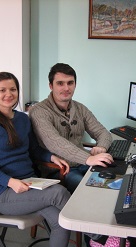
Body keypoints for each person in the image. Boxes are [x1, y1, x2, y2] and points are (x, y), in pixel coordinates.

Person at [0, 71, 71, 247]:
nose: (8, 94)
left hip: (30, 186)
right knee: (59, 192)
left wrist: (52, 157)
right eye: (2, 90)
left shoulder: (23, 119)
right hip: (4, 194)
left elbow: (34, 150)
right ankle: (98, 236)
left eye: (13, 89)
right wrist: (11, 182)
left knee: (60, 221)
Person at [29, 63, 114, 194]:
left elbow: (103, 133)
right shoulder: (39, 111)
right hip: (59, 170)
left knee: (113, 181)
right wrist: (88, 159)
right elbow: (55, 142)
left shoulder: (80, 108)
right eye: (60, 83)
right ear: (51, 86)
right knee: (91, 189)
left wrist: (101, 147)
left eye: (70, 83)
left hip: (84, 163)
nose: (66, 88)